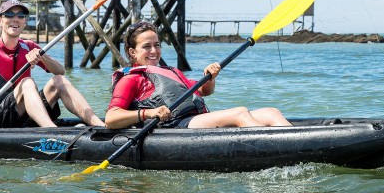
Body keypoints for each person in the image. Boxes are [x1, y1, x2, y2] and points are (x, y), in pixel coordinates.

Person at [104, 21, 292, 129]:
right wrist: (149, 113)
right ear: (132, 53)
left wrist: (210, 76)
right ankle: (282, 148)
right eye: (146, 46)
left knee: (271, 112)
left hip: (194, 121)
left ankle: (297, 142)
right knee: (240, 112)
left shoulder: (170, 72)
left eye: (157, 45)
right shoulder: (131, 79)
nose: (154, 50)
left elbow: (203, 91)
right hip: (175, 127)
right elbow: (111, 119)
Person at [0, 0, 104, 128]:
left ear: (25, 22)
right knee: (27, 82)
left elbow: (60, 71)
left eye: (21, 16)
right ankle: (51, 130)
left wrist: (42, 57)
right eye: (9, 15)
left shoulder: (29, 47)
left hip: (21, 114)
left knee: (59, 81)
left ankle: (99, 125)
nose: (15, 19)